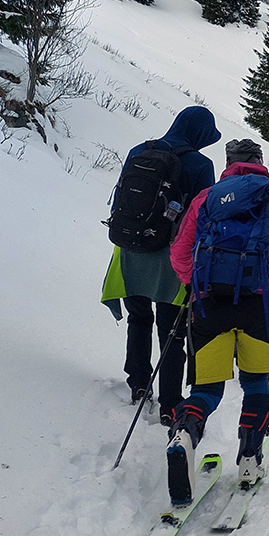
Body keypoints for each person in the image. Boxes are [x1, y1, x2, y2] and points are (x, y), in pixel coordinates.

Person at [164, 139, 269, 505]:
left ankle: (184, 435)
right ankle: (250, 459)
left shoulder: (206, 198)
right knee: (257, 385)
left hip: (208, 306)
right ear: (259, 161)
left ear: (228, 164)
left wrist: (193, 284)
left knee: (207, 390)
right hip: (258, 306)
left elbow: (180, 251)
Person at [100, 105, 220, 425]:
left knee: (138, 319)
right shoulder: (201, 165)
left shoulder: (139, 150)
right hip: (171, 259)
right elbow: (203, 218)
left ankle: (139, 383)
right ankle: (170, 403)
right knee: (172, 332)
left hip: (130, 252)